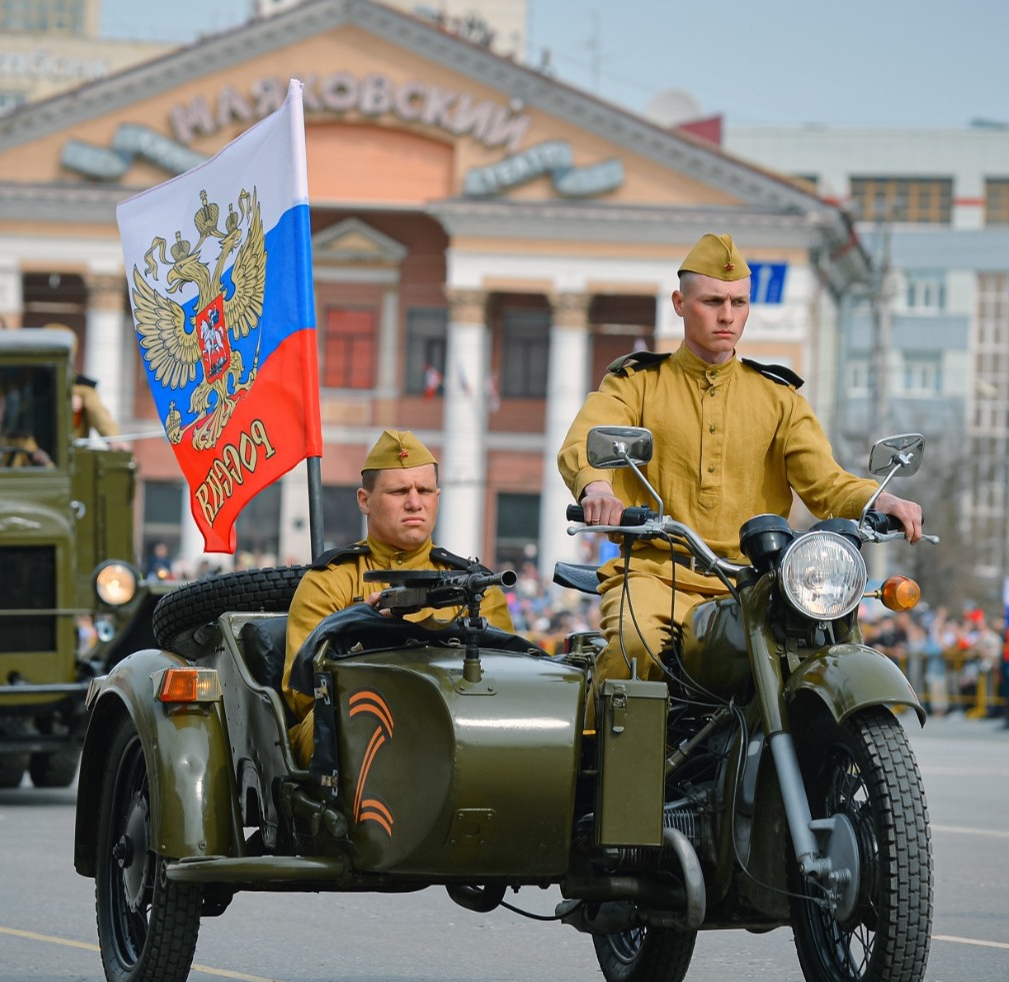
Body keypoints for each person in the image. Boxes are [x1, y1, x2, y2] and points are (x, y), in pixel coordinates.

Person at [556, 233, 924, 685]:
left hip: (756, 583)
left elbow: (826, 482)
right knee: (633, 647)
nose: (727, 315)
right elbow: (586, 439)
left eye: (739, 302)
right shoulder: (636, 383)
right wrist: (597, 487)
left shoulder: (778, 397)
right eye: (712, 301)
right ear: (679, 304)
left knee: (817, 658)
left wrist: (880, 500)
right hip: (656, 575)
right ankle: (602, 732)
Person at [280, 430, 514, 765]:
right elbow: (301, 696)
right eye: (399, 491)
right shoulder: (329, 581)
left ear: (437, 497)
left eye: (425, 491)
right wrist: (360, 629)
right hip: (350, 732)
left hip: (457, 731)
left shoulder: (475, 586)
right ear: (364, 500)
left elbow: (505, 679)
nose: (415, 503)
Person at [42, 322, 120, 440]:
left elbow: (98, 415)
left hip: (68, 447)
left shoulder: (83, 389)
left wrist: (113, 439)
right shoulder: (28, 384)